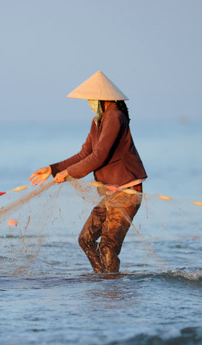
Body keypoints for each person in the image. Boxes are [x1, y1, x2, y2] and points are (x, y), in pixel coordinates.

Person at [29, 70, 147, 273]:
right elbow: (85, 153)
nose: (89, 103)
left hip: (127, 193)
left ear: (102, 98)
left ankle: (113, 288)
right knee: (85, 240)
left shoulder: (115, 117)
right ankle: (103, 281)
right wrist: (52, 169)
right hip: (111, 194)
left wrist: (69, 173)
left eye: (91, 99)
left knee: (108, 248)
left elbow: (99, 155)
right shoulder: (98, 121)